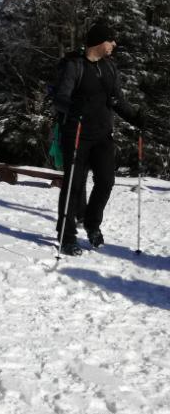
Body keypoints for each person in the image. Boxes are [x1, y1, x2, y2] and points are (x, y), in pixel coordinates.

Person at [53, 20, 142, 256]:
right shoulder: (74, 66)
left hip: (103, 134)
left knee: (106, 181)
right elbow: (59, 98)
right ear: (99, 42)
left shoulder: (109, 67)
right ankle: (66, 236)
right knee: (73, 185)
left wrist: (136, 117)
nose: (114, 44)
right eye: (110, 40)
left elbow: (117, 100)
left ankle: (92, 224)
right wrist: (73, 107)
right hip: (77, 134)